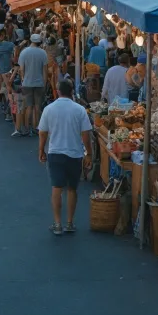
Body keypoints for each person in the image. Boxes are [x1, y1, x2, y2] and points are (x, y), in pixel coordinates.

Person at [38, 78, 93, 236]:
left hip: (55, 152)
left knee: (56, 188)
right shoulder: (79, 110)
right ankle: (69, 222)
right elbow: (86, 135)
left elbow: (42, 132)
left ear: (58, 91)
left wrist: (41, 150)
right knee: (72, 189)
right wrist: (88, 154)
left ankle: (57, 223)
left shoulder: (49, 109)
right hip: (74, 153)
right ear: (71, 92)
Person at [17, 33, 49, 137]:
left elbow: (21, 69)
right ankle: (36, 128)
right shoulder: (43, 53)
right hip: (39, 83)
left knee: (29, 106)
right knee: (37, 107)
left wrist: (23, 79)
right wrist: (44, 83)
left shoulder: (24, 52)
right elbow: (45, 71)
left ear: (31, 40)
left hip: (27, 83)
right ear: (39, 42)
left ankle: (26, 128)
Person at [0, 28, 15, 113]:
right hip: (10, 69)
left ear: (0, 35)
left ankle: (11, 107)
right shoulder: (10, 45)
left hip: (3, 70)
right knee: (9, 86)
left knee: (8, 88)